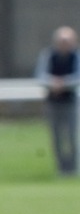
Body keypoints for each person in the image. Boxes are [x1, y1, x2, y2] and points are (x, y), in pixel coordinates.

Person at [35, 26, 77, 177]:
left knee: (72, 137)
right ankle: (61, 169)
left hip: (71, 102)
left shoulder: (76, 57)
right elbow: (40, 76)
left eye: (67, 41)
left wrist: (63, 83)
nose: (64, 44)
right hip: (53, 102)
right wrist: (52, 83)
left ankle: (73, 169)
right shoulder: (48, 56)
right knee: (57, 138)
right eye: (61, 41)